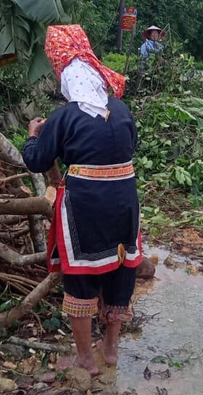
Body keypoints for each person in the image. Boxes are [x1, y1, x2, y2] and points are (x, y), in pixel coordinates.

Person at [22, 25, 143, 375]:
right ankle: (111, 349)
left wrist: (33, 135)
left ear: (66, 79)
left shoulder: (64, 117)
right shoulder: (121, 110)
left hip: (84, 208)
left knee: (82, 277)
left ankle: (86, 358)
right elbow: (128, 147)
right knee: (120, 270)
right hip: (124, 202)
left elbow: (36, 161)